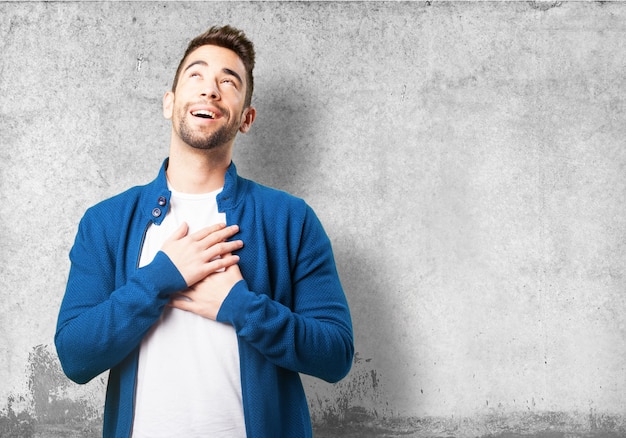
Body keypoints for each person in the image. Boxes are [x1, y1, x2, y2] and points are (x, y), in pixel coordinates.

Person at [54, 25, 354, 438]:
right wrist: (159, 279)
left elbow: (336, 354)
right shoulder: (105, 221)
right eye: (196, 75)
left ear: (246, 118)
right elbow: (74, 356)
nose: (210, 90)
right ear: (169, 102)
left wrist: (241, 306)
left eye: (228, 82)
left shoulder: (291, 219)